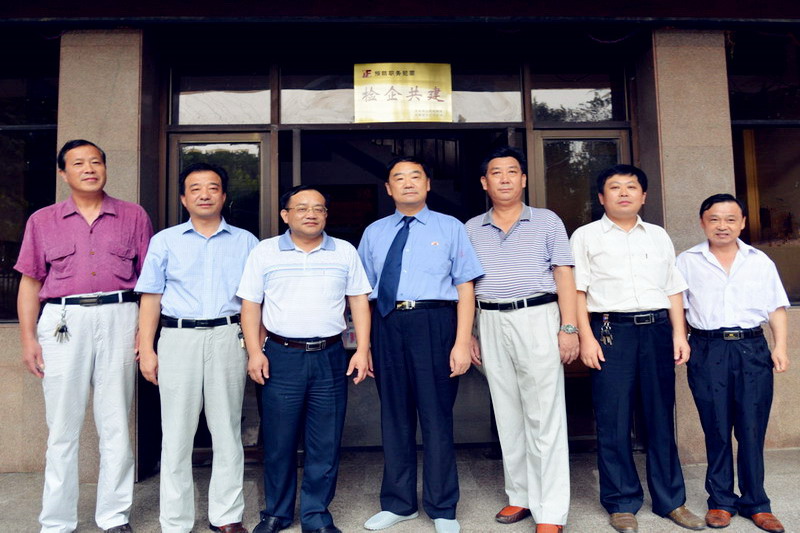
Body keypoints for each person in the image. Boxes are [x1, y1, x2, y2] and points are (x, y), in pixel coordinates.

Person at [15, 139, 153, 533]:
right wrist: (28, 338)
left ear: (105, 168)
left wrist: (144, 334)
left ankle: (114, 516)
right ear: (63, 173)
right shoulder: (42, 220)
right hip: (63, 319)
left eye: (95, 161)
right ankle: (57, 521)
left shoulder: (133, 215)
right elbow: (30, 282)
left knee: (115, 422)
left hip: (120, 316)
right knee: (62, 427)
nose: (89, 168)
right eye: (78, 163)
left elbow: (150, 284)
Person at [570, 164, 705, 533]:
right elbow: (578, 291)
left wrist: (679, 334)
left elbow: (672, 288)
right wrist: (585, 337)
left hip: (657, 330)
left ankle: (671, 501)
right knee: (612, 419)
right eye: (615, 187)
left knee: (660, 415)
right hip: (610, 331)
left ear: (643, 196)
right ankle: (621, 502)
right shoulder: (585, 236)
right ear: (602, 198)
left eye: (631, 187)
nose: (624, 193)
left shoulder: (658, 235)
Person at [358, 156, 483, 533]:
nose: (408, 182)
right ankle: (399, 503)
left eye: (415, 176)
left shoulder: (451, 227)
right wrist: (365, 346)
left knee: (436, 416)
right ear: (388, 188)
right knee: (394, 415)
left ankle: (443, 507)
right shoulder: (374, 232)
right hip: (388, 324)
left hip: (435, 323)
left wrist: (461, 342)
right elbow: (361, 293)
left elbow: (465, 287)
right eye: (399, 178)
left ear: (428, 184)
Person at [238, 185, 372, 533]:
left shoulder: (344, 251)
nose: (310, 214)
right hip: (281, 356)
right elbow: (250, 305)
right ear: (285, 215)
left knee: (325, 441)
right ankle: (276, 513)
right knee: (279, 441)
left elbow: (358, 301)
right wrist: (255, 352)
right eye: (301, 208)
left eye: (318, 208)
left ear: (326, 214)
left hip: (330, 355)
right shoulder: (265, 252)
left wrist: (362, 349)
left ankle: (316, 515)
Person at [134, 162, 258, 533]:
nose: (205, 194)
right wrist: (147, 348)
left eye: (213, 187)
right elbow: (151, 297)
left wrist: (256, 348)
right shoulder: (165, 241)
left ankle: (227, 516)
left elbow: (254, 301)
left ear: (224, 195)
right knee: (176, 433)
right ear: (184, 198)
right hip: (178, 338)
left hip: (228, 336)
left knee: (227, 430)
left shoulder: (246, 242)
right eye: (196, 188)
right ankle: (175, 521)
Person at [465, 146, 577, 533]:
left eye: (512, 171)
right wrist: (470, 333)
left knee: (544, 415)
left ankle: (551, 511)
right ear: (485, 182)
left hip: (537, 316)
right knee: (507, 411)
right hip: (490, 320)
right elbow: (467, 285)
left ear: (524, 179)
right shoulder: (471, 228)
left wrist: (568, 328)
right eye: (496, 172)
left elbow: (564, 274)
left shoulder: (547, 221)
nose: (505, 178)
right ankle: (520, 494)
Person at [676, 194, 789, 533]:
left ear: (742, 223)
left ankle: (756, 503)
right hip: (707, 347)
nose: (722, 226)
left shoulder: (760, 261)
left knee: (752, 428)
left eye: (729, 219)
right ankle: (721, 502)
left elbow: (775, 308)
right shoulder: (687, 261)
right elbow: (677, 307)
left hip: (751, 348)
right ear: (702, 222)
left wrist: (780, 347)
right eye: (714, 219)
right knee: (717, 427)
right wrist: (681, 339)